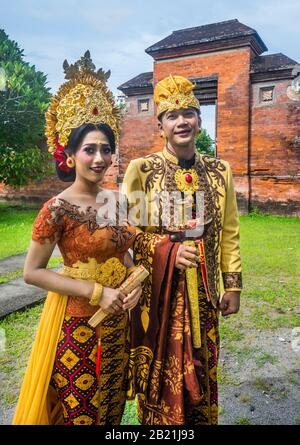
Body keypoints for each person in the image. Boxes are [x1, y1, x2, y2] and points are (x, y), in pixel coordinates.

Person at [12, 52, 142, 425]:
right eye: (89, 149)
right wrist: (95, 292)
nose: (99, 158)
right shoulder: (57, 209)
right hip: (79, 328)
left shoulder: (118, 201)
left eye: (106, 149)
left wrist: (133, 284)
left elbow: (125, 252)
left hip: (119, 323)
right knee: (82, 415)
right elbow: (32, 272)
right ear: (70, 155)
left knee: (113, 412)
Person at [123, 75, 242, 425]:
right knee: (161, 383)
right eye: (172, 116)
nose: (182, 122)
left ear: (200, 120)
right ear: (160, 125)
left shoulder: (220, 171)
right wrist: (168, 252)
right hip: (159, 296)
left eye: (189, 113)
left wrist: (232, 285)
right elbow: (128, 233)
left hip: (204, 297)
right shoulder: (142, 171)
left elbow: (230, 231)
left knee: (203, 371)